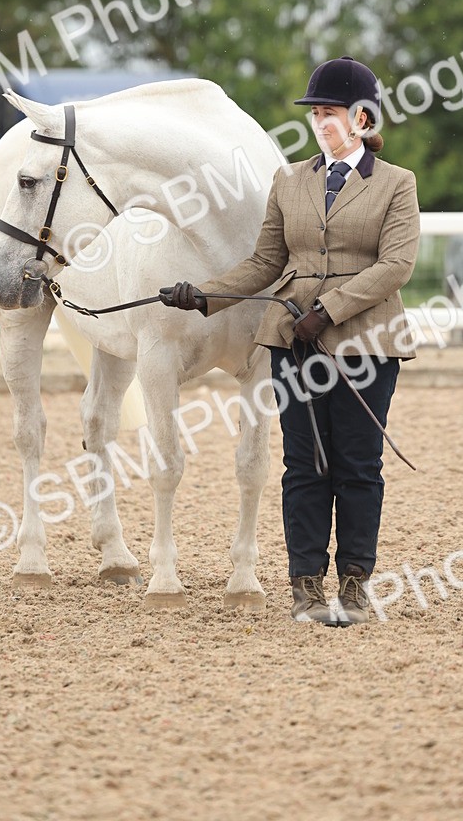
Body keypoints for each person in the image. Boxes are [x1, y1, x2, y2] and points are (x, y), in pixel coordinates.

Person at [160, 57, 420, 626]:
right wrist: (202, 295)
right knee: (304, 463)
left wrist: (328, 309)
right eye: (317, 113)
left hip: (367, 342)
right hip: (292, 339)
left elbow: (396, 264)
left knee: (357, 463)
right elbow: (264, 263)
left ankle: (354, 585)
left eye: (329, 112)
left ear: (362, 117)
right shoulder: (289, 182)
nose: (320, 121)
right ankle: (305, 586)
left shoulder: (397, 185)